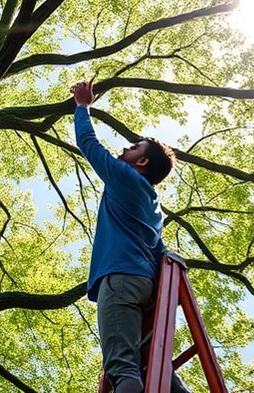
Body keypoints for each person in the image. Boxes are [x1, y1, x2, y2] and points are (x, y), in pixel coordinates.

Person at [70, 80, 190, 393]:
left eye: (133, 147)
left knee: (124, 371)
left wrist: (83, 106)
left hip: (121, 280)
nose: (124, 148)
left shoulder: (126, 179)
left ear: (142, 161)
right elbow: (160, 252)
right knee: (151, 367)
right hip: (145, 287)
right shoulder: (153, 207)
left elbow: (89, 144)